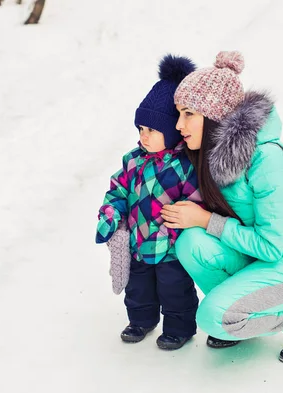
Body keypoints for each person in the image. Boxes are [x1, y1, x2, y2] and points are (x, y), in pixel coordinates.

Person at [160, 51, 283, 363]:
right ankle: (242, 314)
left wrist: (205, 219)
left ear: (214, 116)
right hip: (263, 258)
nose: (179, 124)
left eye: (188, 114)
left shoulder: (267, 160)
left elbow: (270, 247)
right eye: (178, 113)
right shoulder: (213, 156)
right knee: (191, 243)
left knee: (213, 318)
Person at [96, 55, 201, 350]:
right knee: (138, 288)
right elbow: (116, 190)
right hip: (138, 243)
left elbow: (197, 200)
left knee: (175, 290)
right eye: (140, 129)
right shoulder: (133, 161)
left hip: (170, 247)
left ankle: (179, 327)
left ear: (171, 130)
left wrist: (182, 226)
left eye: (151, 131)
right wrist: (111, 212)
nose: (143, 136)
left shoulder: (184, 166)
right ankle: (141, 320)